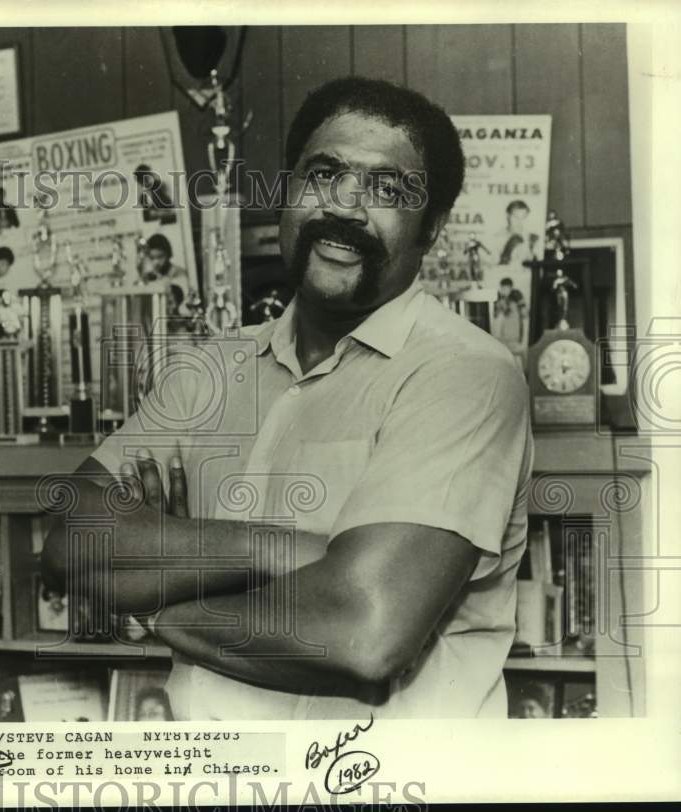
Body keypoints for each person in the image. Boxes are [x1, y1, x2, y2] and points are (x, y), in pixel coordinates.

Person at [43, 76, 532, 720]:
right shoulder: (208, 370)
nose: (347, 209)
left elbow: (362, 633)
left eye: (387, 190)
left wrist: (158, 581)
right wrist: (276, 549)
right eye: (324, 175)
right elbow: (68, 545)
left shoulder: (465, 374)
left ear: (431, 228)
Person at [495, 200, 540, 266]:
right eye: (516, 217)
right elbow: (493, 268)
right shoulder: (497, 238)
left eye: (523, 217)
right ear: (508, 216)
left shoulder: (532, 238)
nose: (519, 222)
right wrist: (508, 250)